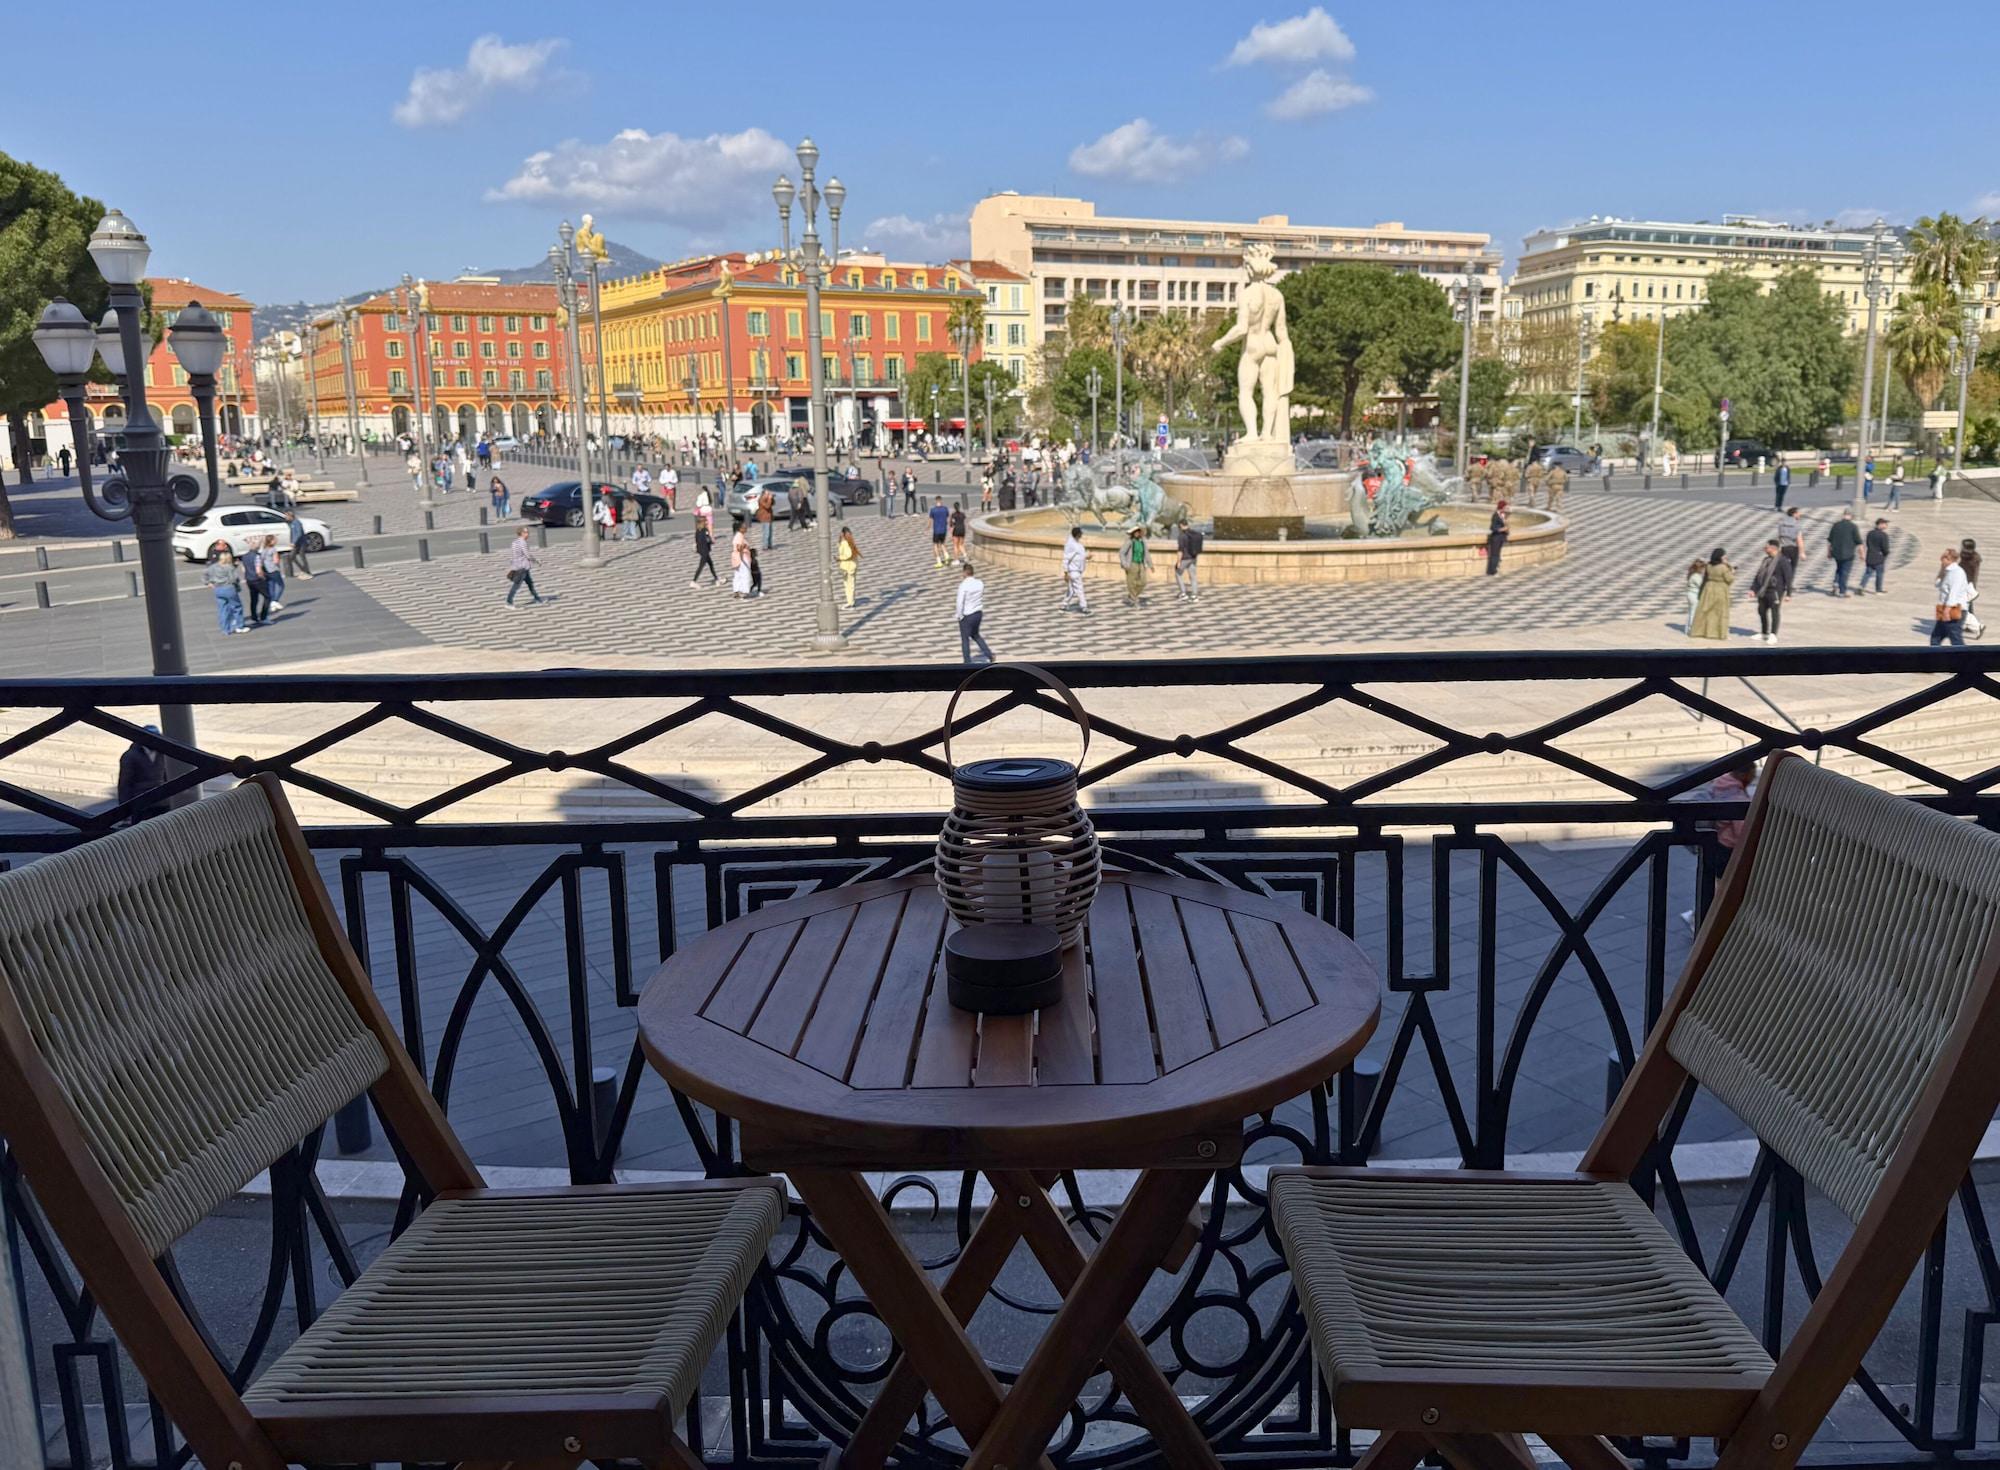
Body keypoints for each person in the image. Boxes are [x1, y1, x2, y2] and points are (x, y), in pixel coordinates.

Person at [115, 725, 166, 823]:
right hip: (141, 803)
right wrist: (125, 812)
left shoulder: (162, 753)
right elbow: (125, 784)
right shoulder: (130, 756)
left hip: (162, 801)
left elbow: (168, 775)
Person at [1751, 538, 1792, 643]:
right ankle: (1764, 633)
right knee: (1761, 611)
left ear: (1773, 548)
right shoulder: (1766, 560)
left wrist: (1789, 593)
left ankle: (1773, 634)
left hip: (1775, 591)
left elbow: (1788, 577)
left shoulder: (1782, 561)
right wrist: (1753, 589)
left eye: (1766, 547)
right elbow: (1759, 575)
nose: (1765, 549)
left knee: (1774, 612)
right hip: (1763, 590)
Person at [956, 562, 994, 663]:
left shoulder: (963, 585)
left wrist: (959, 615)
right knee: (975, 635)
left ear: (964, 572)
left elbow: (960, 602)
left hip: (967, 615)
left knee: (965, 639)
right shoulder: (980, 583)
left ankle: (967, 662)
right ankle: (989, 654)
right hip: (978, 613)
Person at [1691, 547, 1733, 640]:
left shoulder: (1709, 565)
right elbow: (1730, 579)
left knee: (1707, 611)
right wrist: (1730, 567)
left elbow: (1705, 578)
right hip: (1720, 589)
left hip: (1708, 588)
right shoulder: (1723, 567)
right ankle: (1719, 633)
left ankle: (1702, 631)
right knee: (1720, 612)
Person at [1933, 547, 1971, 646]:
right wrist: (1941, 570)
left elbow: (1954, 592)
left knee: (1956, 640)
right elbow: (1937, 584)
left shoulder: (1957, 572)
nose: (1941, 559)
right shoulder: (1947, 571)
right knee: (1935, 638)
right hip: (1943, 608)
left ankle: (1966, 659)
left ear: (1949, 559)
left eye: (1943, 557)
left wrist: (1947, 610)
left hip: (1954, 609)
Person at [204, 547, 246, 634]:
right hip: (228, 588)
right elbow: (234, 579)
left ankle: (225, 629)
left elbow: (205, 575)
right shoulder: (229, 567)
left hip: (218, 589)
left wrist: (208, 583)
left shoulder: (213, 567)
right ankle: (239, 626)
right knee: (237, 607)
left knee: (222, 609)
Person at [1825, 509, 1862, 597]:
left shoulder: (1836, 525)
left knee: (1838, 569)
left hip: (1836, 552)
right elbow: (1858, 541)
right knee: (1844, 572)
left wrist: (1829, 552)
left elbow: (1830, 540)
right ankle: (1842, 591)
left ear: (1843, 515)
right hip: (1848, 553)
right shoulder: (1853, 526)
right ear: (1851, 516)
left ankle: (1835, 585)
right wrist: (1862, 554)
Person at [506, 527, 544, 605]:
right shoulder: (523, 542)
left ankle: (537, 598)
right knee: (516, 586)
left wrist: (512, 566)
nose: (528, 534)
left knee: (530, 583)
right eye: (526, 532)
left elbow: (514, 556)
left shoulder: (514, 542)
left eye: (528, 532)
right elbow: (528, 555)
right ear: (522, 533)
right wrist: (537, 561)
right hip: (522, 568)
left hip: (519, 567)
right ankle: (509, 602)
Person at [242, 537, 273, 625]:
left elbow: (244, 569)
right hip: (258, 579)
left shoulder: (244, 556)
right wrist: (263, 577)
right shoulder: (257, 556)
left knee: (254, 598)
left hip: (249, 579)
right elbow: (258, 570)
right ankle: (263, 617)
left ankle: (254, 616)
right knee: (268, 597)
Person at [1118, 526, 1150, 606]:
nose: (1137, 533)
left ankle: (1132, 595)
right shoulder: (1130, 541)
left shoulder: (1142, 541)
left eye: (1138, 532)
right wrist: (1124, 564)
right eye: (1135, 532)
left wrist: (1150, 564)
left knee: (1143, 582)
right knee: (1131, 582)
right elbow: (1122, 552)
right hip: (1132, 563)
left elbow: (1146, 553)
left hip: (1141, 564)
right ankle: (1134, 599)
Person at [1062, 525, 1090, 613]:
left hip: (1075, 571)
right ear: (1078, 535)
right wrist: (1066, 572)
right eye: (1081, 533)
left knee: (1071, 590)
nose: (1082, 535)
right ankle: (1084, 606)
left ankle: (1064, 604)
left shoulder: (1076, 545)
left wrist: (1086, 557)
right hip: (1074, 571)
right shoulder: (1072, 546)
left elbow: (1079, 556)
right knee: (1079, 589)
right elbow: (1066, 559)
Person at [1175, 520, 1204, 602]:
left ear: (1181, 525)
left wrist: (1178, 562)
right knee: (1193, 577)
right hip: (1193, 558)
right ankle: (1195, 596)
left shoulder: (1182, 536)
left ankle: (1183, 593)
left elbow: (1180, 550)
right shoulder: (1194, 533)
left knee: (1178, 573)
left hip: (1185, 558)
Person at [1775, 506, 1803, 591]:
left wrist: (1779, 547)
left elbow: (1779, 536)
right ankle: (1789, 584)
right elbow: (1799, 539)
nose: (1800, 514)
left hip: (1784, 547)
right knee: (1792, 567)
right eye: (1798, 513)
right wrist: (1802, 552)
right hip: (1793, 548)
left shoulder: (1781, 523)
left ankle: (1782, 584)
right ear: (1794, 514)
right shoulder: (1797, 524)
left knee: (1784, 567)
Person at [1860, 518, 1891, 595]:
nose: (1886, 526)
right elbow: (1885, 548)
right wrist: (1886, 554)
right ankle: (1878, 589)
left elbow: (1867, 543)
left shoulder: (1870, 533)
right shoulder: (1883, 535)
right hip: (1879, 557)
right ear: (1880, 524)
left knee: (1868, 573)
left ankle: (1861, 586)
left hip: (1870, 555)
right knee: (1879, 574)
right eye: (1885, 524)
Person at [281, 509, 314, 579]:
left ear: (290, 516)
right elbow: (293, 533)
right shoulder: (292, 523)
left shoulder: (297, 523)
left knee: (302, 557)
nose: (286, 518)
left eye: (287, 516)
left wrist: (293, 542)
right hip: (297, 544)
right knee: (292, 557)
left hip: (301, 543)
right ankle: (303, 570)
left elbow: (298, 533)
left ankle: (307, 572)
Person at [1963, 537, 1984, 640]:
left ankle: (1976, 626)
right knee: (1967, 606)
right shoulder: (1965, 556)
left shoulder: (1974, 559)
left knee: (1967, 606)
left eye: (1965, 548)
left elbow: (1974, 575)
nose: (1963, 550)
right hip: (1963, 583)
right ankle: (1970, 625)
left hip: (1968, 585)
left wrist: (1972, 585)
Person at [259, 534, 286, 615]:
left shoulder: (264, 550)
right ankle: (275, 601)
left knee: (271, 586)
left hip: (267, 571)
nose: (276, 540)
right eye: (275, 539)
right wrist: (278, 559)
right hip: (274, 569)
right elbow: (276, 561)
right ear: (271, 541)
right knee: (281, 585)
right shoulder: (273, 549)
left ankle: (272, 603)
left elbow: (261, 560)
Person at [837, 526, 860, 607]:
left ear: (843, 533)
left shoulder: (845, 543)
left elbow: (848, 554)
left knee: (848, 584)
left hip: (847, 567)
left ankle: (850, 602)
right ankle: (851, 601)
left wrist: (839, 558)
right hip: (852, 565)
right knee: (851, 584)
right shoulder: (851, 541)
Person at [1485, 498, 1510, 576]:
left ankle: (1495, 569)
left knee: (1497, 555)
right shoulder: (1495, 515)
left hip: (1501, 538)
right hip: (1496, 538)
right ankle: (1492, 571)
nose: (1507, 509)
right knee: (1494, 555)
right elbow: (1492, 528)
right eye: (1505, 507)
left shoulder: (1503, 515)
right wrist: (1502, 529)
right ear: (1502, 507)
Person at [691, 519, 719, 586]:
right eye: (705, 521)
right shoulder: (705, 530)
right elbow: (707, 540)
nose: (707, 522)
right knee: (701, 566)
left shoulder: (698, 530)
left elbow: (697, 540)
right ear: (702, 523)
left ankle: (717, 579)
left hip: (701, 550)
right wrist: (712, 541)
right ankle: (693, 581)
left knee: (711, 564)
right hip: (705, 551)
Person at [1683, 559, 1706, 635]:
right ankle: (1691, 630)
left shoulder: (1691, 574)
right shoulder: (1696, 576)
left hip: (1690, 594)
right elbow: (1701, 585)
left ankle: (1687, 629)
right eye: (1703, 568)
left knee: (1690, 612)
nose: (1703, 570)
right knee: (1693, 613)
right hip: (1694, 595)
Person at [731, 519, 752, 598]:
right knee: (745, 574)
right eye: (744, 527)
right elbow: (739, 547)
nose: (745, 528)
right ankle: (744, 591)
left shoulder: (738, 536)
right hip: (742, 557)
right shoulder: (739, 536)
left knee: (738, 574)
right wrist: (744, 547)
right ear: (740, 529)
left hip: (737, 558)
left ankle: (736, 590)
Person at [929, 496, 951, 568]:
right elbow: (948, 519)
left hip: (936, 530)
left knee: (935, 545)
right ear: (941, 501)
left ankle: (939, 562)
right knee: (942, 543)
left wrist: (928, 527)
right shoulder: (945, 509)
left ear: (936, 501)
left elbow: (931, 520)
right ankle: (947, 555)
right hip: (943, 530)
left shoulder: (933, 510)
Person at [756, 484, 776, 549]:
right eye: (767, 493)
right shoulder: (761, 499)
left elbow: (773, 503)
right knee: (766, 532)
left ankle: (769, 545)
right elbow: (767, 506)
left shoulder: (767, 499)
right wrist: (769, 499)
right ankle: (765, 546)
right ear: (764, 494)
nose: (768, 495)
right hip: (764, 517)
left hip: (769, 517)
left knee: (770, 532)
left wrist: (772, 498)